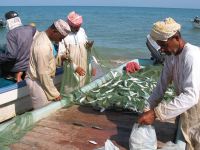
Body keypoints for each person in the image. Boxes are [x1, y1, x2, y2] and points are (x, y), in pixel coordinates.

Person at [138, 17, 200, 150]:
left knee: (196, 140)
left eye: (164, 45)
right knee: (187, 137)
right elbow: (161, 85)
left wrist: (156, 114)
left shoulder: (192, 56)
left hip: (197, 106)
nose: (161, 49)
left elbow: (191, 96)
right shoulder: (171, 57)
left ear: (176, 38)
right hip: (188, 107)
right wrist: (148, 108)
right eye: (160, 46)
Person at [26, 19, 71, 109]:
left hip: (42, 80)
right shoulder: (42, 45)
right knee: (42, 113)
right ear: (54, 31)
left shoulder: (43, 36)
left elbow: (47, 61)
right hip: (38, 82)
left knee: (46, 111)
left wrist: (60, 58)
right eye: (60, 38)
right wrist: (54, 93)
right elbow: (42, 73)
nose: (60, 41)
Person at [58, 11, 95, 95]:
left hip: (85, 64)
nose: (78, 28)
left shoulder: (82, 31)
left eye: (79, 26)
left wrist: (92, 66)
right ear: (70, 25)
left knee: (86, 87)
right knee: (70, 89)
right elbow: (62, 55)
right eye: (76, 27)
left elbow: (87, 50)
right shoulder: (64, 34)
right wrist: (75, 68)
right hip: (71, 66)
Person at [0, 11, 37, 82]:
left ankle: (10, 76)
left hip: (18, 67)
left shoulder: (11, 34)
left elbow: (12, 56)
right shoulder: (30, 29)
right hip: (28, 63)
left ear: (8, 22)